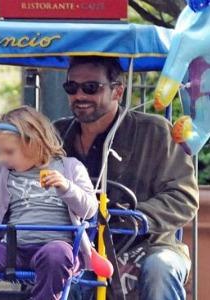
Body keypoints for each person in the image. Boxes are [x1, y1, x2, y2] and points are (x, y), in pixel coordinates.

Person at [54, 56, 199, 300]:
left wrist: (133, 218)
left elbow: (183, 197)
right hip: (80, 246)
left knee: (160, 268)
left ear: (118, 92)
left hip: (148, 245)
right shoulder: (55, 134)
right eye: (72, 87)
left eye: (91, 88)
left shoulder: (155, 131)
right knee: (55, 267)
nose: (80, 95)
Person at [0, 106, 98, 300]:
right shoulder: (3, 171)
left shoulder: (70, 167)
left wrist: (66, 187)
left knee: (57, 254)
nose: (3, 158)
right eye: (0, 152)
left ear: (33, 143)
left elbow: (89, 210)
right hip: (15, 248)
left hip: (57, 247)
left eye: (9, 152)